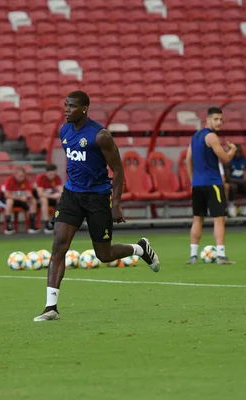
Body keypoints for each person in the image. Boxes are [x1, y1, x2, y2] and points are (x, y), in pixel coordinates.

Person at [33, 91, 160, 322]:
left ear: (85, 108)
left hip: (98, 197)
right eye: (65, 105)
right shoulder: (64, 131)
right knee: (59, 246)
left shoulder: (100, 136)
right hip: (71, 195)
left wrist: (117, 204)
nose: (66, 109)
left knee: (103, 254)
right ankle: (50, 307)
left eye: (71, 106)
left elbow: (119, 169)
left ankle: (140, 249)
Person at [185, 107, 237, 265]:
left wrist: (193, 179)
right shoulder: (212, 137)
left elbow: (188, 159)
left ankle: (193, 255)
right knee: (219, 219)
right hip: (213, 184)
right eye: (216, 119)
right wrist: (233, 150)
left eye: (221, 119)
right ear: (207, 120)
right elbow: (225, 159)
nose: (219, 122)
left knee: (197, 219)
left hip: (198, 184)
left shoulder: (195, 136)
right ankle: (221, 255)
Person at [0, 167, 39, 235]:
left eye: (23, 176)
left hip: (20, 200)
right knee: (9, 201)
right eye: (20, 176)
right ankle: (9, 226)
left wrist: (29, 197)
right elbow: (7, 195)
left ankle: (32, 225)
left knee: (33, 201)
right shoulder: (10, 181)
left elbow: (29, 193)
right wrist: (20, 198)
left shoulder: (25, 181)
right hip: (5, 201)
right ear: (15, 175)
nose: (22, 177)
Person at [34, 164, 63, 234]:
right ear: (46, 173)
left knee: (61, 200)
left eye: (53, 174)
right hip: (41, 199)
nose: (52, 176)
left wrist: (59, 194)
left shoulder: (57, 178)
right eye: (50, 174)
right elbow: (40, 193)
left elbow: (61, 191)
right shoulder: (40, 178)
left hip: (53, 198)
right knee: (44, 200)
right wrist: (53, 196)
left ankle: (57, 221)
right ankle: (47, 223)